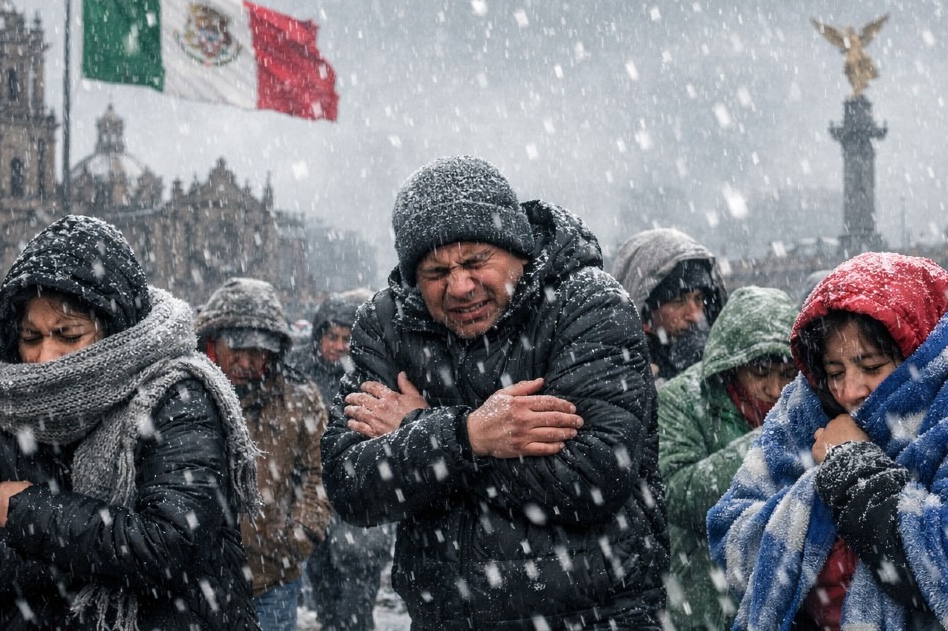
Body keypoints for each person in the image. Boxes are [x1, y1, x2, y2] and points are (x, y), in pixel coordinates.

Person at [322, 156, 668, 629]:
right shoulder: (386, 326)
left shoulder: (587, 305)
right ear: (412, 278)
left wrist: (417, 433)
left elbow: (593, 477)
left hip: (594, 615)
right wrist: (468, 436)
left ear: (518, 248)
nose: (460, 286)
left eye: (474, 261)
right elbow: (350, 485)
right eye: (436, 273)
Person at [0, 215, 262, 630]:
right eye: (32, 337)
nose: (46, 357)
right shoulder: (0, 404)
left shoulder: (174, 395)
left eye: (68, 334)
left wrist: (28, 513)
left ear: (112, 328)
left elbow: (171, 546)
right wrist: (86, 552)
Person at [708, 252, 948, 629]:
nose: (850, 390)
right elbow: (731, 535)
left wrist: (849, 466)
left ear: (918, 351)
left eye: (871, 367)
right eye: (835, 371)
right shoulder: (807, 406)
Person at [657, 286, 798, 630]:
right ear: (732, 367)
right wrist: (772, 440)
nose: (775, 389)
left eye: (788, 373)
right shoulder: (681, 400)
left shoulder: (808, 402)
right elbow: (676, 492)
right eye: (761, 372)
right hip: (703, 598)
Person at [196, 277, 330, 630]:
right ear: (212, 340)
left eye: (259, 350)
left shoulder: (300, 398)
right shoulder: (184, 391)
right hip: (194, 580)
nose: (247, 360)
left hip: (272, 579)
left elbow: (318, 472)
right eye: (237, 347)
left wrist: (298, 536)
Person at [292, 292, 395, 630]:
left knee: (356, 602)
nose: (337, 346)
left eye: (345, 338)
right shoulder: (297, 373)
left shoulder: (372, 371)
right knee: (323, 588)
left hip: (359, 494)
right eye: (330, 337)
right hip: (313, 494)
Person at [610, 228, 727, 383]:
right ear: (647, 305)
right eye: (679, 301)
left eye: (699, 299)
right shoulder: (607, 362)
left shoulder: (713, 354)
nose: (694, 315)